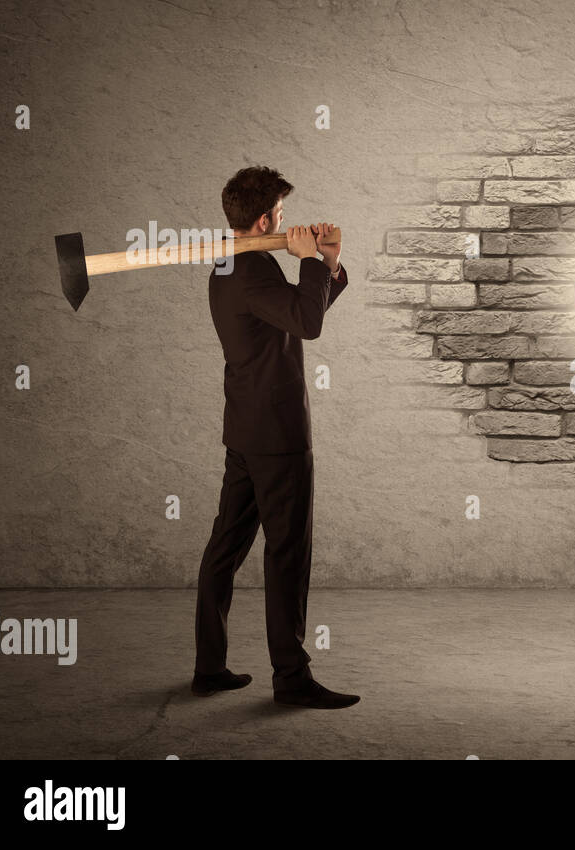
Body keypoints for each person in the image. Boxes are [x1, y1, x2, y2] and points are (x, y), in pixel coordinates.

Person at [191, 165, 358, 709]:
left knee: (225, 550)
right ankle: (291, 678)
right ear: (263, 218)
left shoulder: (228, 264)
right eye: (282, 215)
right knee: (287, 553)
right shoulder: (253, 271)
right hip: (278, 435)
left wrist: (327, 264)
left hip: (244, 429)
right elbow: (307, 324)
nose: (287, 223)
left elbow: (296, 313)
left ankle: (209, 667)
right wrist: (309, 259)